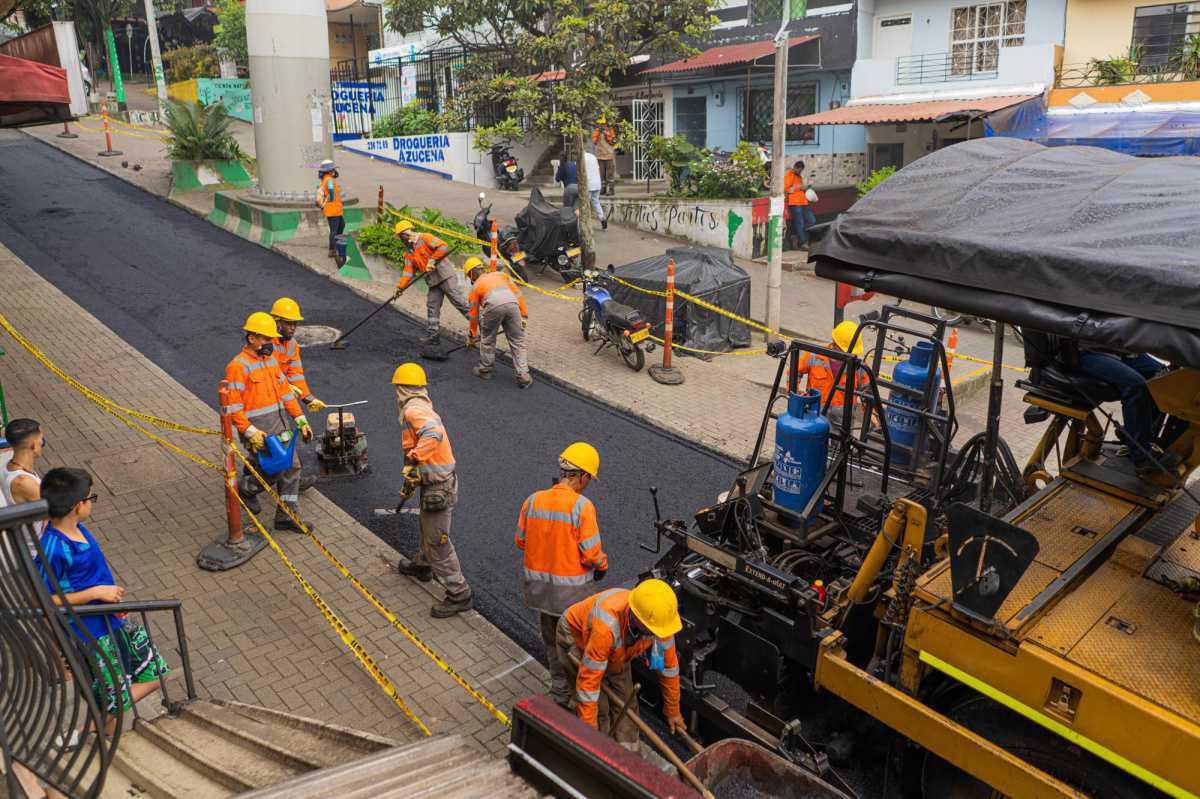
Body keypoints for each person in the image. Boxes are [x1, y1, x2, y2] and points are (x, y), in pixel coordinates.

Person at [36, 467, 170, 736]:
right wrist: (96, 593)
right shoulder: (53, 547)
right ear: (77, 506)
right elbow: (41, 600)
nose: (91, 503)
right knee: (112, 697)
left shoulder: (79, 528)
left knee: (156, 674)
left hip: (113, 619)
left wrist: (110, 599)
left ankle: (98, 729)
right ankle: (91, 733)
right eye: (90, 498)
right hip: (90, 635)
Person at [516, 442, 608, 707]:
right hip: (573, 598)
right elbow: (591, 554)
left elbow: (521, 541)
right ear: (582, 476)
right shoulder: (582, 507)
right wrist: (602, 565)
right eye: (589, 478)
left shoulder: (533, 500)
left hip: (541, 594)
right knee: (577, 647)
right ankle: (581, 699)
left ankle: (558, 692)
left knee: (552, 643)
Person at [556, 579, 685, 748]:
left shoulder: (661, 624)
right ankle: (599, 752)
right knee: (599, 709)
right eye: (652, 631)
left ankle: (628, 755)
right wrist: (588, 732)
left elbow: (668, 669)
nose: (657, 635)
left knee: (628, 706)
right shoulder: (606, 627)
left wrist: (672, 710)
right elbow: (588, 685)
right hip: (577, 638)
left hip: (618, 652)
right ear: (637, 619)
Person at [391, 362, 474, 618]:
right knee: (427, 529)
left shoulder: (413, 411)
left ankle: (459, 594)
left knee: (438, 541)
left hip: (439, 486)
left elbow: (433, 434)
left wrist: (416, 458)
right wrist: (412, 475)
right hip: (435, 482)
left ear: (401, 389)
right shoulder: (422, 406)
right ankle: (422, 566)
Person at [224, 312, 314, 530]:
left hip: (280, 424)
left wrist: (300, 419)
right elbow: (233, 407)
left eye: (270, 339)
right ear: (251, 338)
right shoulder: (238, 367)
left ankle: (286, 515)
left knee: (291, 467)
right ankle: (247, 488)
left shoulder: (270, 361)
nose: (269, 343)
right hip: (260, 430)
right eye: (265, 339)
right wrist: (249, 431)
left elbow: (285, 393)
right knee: (275, 468)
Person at [1075, 348, 1177, 476]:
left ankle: (1138, 435)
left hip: (1120, 348)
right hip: (1087, 349)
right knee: (1136, 385)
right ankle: (1142, 455)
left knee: (1165, 377)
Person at [392, 221, 470, 346]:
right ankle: (433, 335)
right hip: (433, 282)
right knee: (432, 306)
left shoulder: (425, 237)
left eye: (401, 236)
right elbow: (407, 272)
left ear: (406, 233)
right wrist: (400, 288)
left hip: (445, 276)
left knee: (459, 301)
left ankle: (483, 326)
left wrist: (432, 261)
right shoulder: (409, 252)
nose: (401, 239)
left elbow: (443, 246)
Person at [465, 258, 532, 387]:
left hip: (493, 305)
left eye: (469, 276)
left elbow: (474, 315)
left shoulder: (476, 287)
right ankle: (524, 376)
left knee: (488, 339)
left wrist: (472, 335)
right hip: (513, 304)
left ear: (471, 274)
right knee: (517, 341)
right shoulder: (501, 275)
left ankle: (485, 370)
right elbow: (519, 295)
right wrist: (524, 316)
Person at [791, 321, 863, 426]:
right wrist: (795, 396)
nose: (850, 354)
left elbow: (867, 390)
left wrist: (872, 413)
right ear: (834, 344)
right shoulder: (815, 355)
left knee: (839, 442)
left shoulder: (858, 366)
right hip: (815, 414)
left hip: (843, 419)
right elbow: (794, 371)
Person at [269, 297, 326, 414]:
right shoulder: (266, 343)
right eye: (288, 323)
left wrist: (308, 398)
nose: (293, 327)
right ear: (276, 321)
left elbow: (295, 374)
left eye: (294, 323)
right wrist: (285, 386)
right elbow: (267, 374)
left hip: (276, 397)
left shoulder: (292, 344)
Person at [3, 418, 48, 537]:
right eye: (40, 440)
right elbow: (52, 512)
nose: (42, 443)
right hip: (37, 547)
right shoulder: (24, 482)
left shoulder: (8, 464)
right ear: (33, 445)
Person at [316, 160, 347, 268]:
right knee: (334, 230)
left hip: (334, 209)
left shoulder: (326, 178)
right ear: (329, 170)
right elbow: (330, 189)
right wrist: (332, 198)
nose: (335, 170)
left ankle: (336, 244)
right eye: (333, 169)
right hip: (333, 210)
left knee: (341, 225)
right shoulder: (329, 179)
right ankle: (332, 250)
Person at [783, 160, 817, 249]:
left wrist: (807, 187)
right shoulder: (788, 176)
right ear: (795, 167)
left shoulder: (799, 177)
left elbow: (800, 189)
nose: (800, 172)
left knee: (812, 221)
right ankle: (802, 243)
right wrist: (797, 187)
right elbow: (786, 189)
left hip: (804, 202)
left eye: (801, 170)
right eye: (799, 170)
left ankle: (797, 235)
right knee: (800, 223)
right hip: (794, 203)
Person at [591, 117, 617, 196]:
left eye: (603, 124)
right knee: (601, 174)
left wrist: (607, 134)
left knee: (610, 174)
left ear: (606, 124)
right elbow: (594, 141)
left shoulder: (610, 131)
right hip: (600, 156)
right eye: (601, 124)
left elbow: (613, 141)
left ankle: (611, 190)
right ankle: (603, 189)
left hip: (609, 155)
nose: (602, 126)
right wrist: (598, 134)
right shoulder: (597, 131)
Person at [582, 149, 607, 230]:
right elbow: (598, 169)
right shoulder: (593, 157)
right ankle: (603, 219)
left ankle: (586, 224)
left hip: (589, 184)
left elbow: (580, 172)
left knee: (586, 204)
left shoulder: (581, 158)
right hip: (597, 183)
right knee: (596, 202)